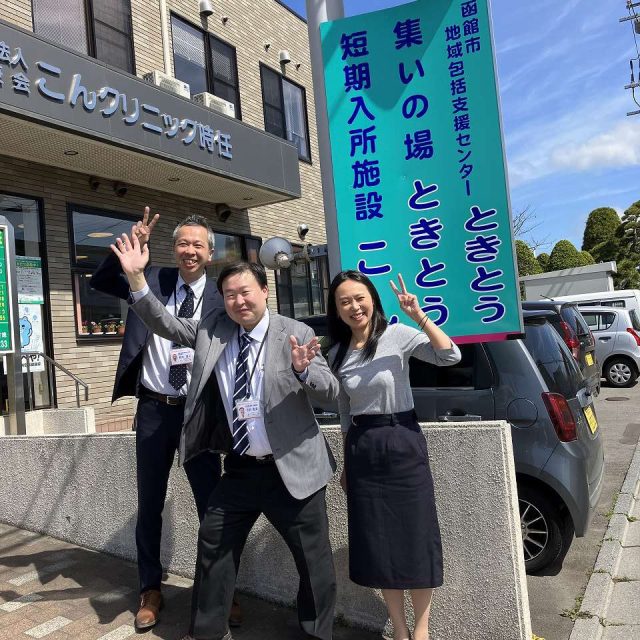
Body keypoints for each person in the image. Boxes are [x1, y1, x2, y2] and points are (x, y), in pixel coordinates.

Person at [110, 228, 338, 640]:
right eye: (230, 294)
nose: (239, 301)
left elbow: (331, 391)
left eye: (246, 292)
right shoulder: (214, 329)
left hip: (292, 469)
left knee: (313, 563)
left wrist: (304, 371)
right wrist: (137, 279)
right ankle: (206, 632)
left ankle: (316, 634)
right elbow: (164, 322)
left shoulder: (296, 333)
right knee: (213, 545)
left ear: (264, 291)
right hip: (239, 469)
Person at [92, 210, 241, 631]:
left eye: (198, 245)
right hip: (155, 409)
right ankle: (150, 589)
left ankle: (220, 590)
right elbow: (102, 281)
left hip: (199, 412)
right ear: (173, 248)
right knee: (150, 504)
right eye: (182, 243)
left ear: (210, 252)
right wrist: (129, 249)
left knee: (211, 504)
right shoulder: (151, 279)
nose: (189, 250)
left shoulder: (222, 296)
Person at [326, 270, 461, 640]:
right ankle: (400, 630)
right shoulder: (336, 354)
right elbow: (344, 412)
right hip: (363, 448)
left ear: (372, 299)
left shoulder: (397, 335)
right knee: (379, 543)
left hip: (402, 439)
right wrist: (347, 464)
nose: (354, 307)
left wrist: (419, 315)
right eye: (344, 302)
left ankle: (422, 629)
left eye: (360, 298)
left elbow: (450, 355)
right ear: (336, 309)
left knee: (416, 537)